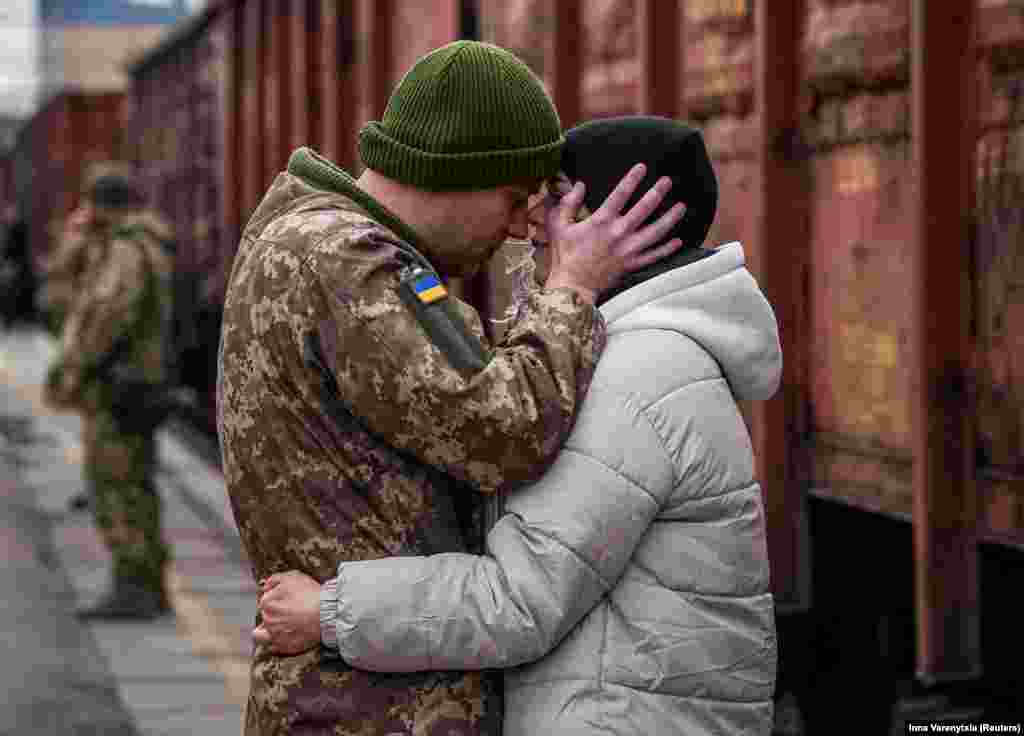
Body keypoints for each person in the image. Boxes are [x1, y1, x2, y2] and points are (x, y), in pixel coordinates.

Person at [253, 116, 783, 735]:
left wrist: (332, 611)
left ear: (619, 218)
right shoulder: (642, 352)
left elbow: (521, 598)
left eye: (557, 197)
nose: (530, 221)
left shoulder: (640, 375)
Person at [217, 41, 686, 736]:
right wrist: (572, 288)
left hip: (351, 689)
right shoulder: (351, 263)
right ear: (458, 176)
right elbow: (505, 432)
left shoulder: (305, 240)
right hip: (379, 706)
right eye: (513, 201)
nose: (517, 231)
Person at [43, 164, 175, 619]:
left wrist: (75, 366)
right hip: (141, 384)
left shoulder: (125, 250)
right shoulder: (147, 243)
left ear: (101, 206)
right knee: (138, 483)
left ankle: (132, 586)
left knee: (114, 486)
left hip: (119, 387)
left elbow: (106, 313)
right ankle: (149, 584)